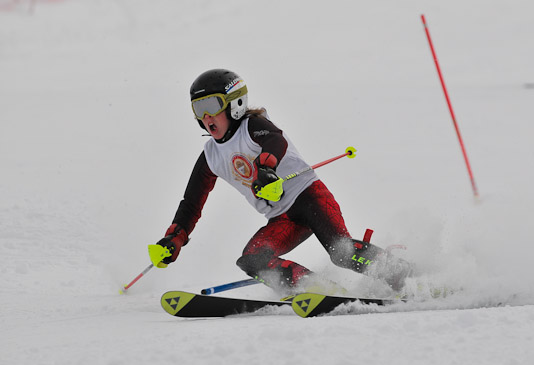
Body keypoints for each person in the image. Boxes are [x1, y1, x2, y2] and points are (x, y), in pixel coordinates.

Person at [155, 68, 411, 294]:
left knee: (340, 252)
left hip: (310, 198)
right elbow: (191, 203)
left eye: (212, 105)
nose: (206, 117)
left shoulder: (252, 125)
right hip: (283, 219)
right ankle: (317, 289)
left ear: (235, 103)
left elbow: (275, 140)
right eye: (199, 109)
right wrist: (176, 237)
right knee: (252, 260)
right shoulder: (211, 156)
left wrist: (266, 168)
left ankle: (405, 275)